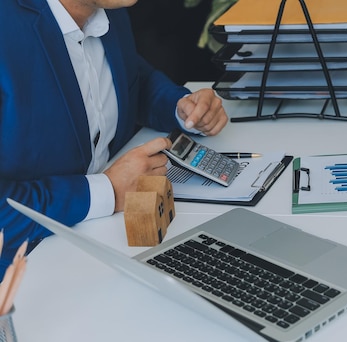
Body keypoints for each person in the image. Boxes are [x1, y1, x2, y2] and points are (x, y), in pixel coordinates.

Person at [0, 0, 228, 277]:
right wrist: (108, 190)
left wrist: (181, 108)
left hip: (107, 244)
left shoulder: (109, 10)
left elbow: (129, 77)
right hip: (25, 278)